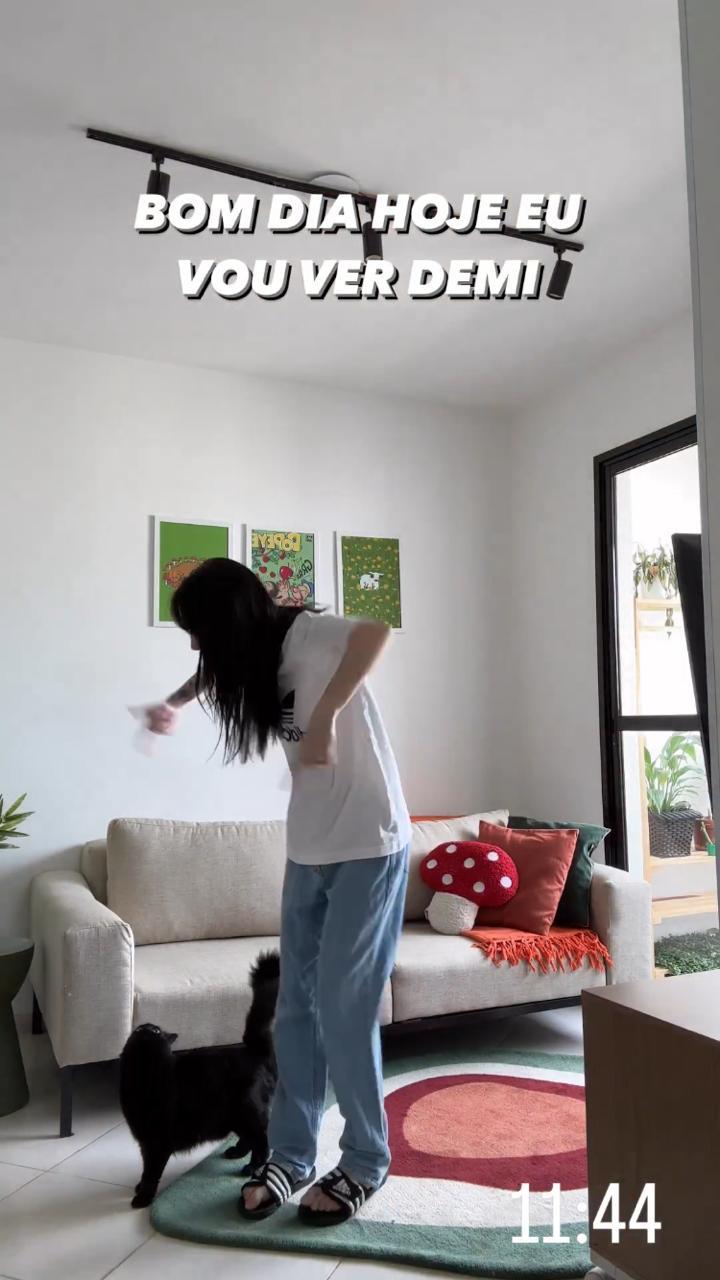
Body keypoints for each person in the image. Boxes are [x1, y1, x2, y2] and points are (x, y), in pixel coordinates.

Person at [144, 558, 411, 1226]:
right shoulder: (253, 655)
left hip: (370, 841)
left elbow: (376, 632)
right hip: (308, 846)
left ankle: (365, 1160)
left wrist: (327, 715)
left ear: (229, 619)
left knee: (345, 1008)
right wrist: (173, 704)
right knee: (294, 1008)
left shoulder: (310, 635)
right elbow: (210, 673)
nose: (195, 644)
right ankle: (292, 1153)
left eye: (198, 629)